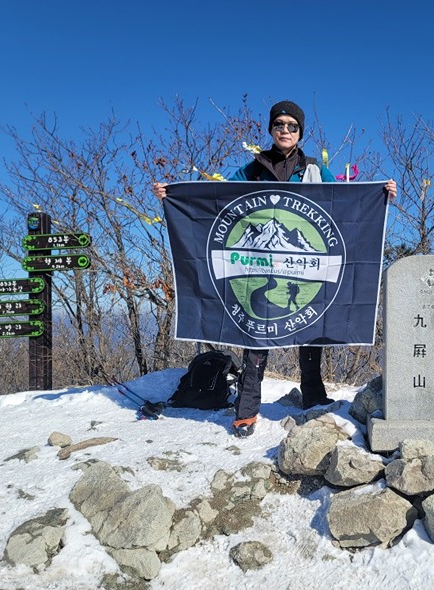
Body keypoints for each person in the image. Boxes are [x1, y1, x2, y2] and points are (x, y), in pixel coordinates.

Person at [154, 99, 397, 437]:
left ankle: (313, 400)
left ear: (300, 132)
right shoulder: (253, 169)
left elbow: (344, 206)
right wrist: (174, 195)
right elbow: (217, 198)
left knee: (311, 329)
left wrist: (379, 194)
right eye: (279, 124)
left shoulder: (314, 169)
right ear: (270, 129)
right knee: (256, 336)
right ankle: (247, 411)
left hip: (301, 267)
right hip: (259, 265)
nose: (285, 130)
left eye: (292, 126)